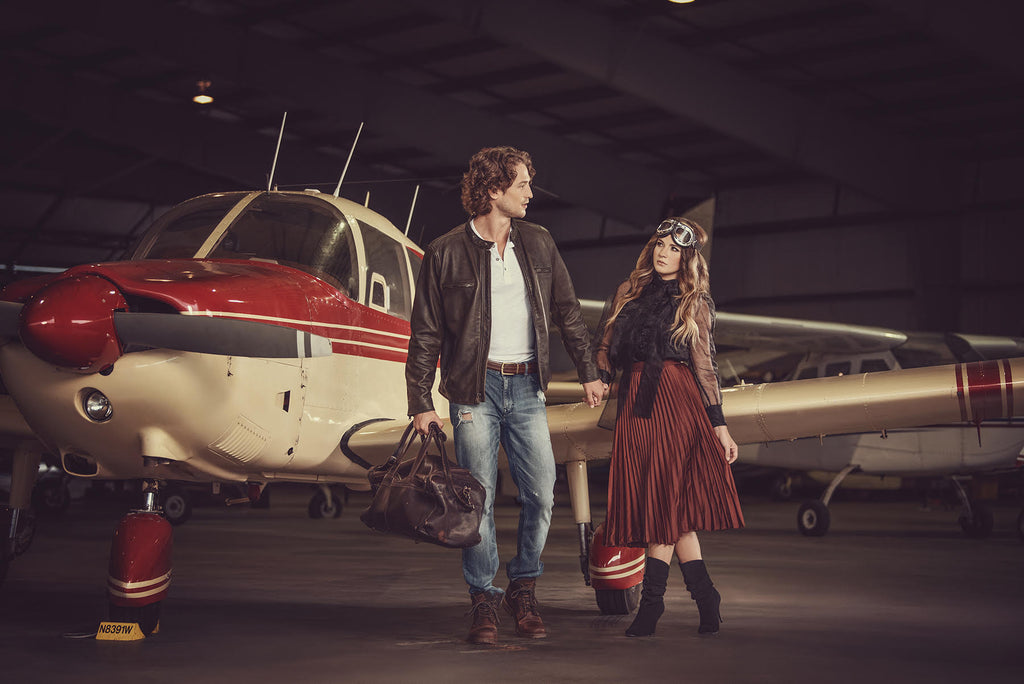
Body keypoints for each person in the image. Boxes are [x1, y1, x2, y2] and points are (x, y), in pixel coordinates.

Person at [405, 146, 606, 645]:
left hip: (528, 385)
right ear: (494, 191)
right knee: (480, 500)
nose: (531, 193)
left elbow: (568, 312)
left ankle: (523, 585)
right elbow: (426, 332)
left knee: (541, 492)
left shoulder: (539, 243)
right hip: (474, 390)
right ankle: (484, 599)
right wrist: (420, 402)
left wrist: (589, 371)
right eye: (522, 185)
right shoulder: (445, 251)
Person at [595, 216, 744, 638]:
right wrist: (600, 380)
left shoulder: (693, 301)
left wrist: (720, 427)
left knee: (662, 504)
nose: (663, 252)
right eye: (660, 244)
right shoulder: (628, 291)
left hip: (678, 403)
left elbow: (705, 368)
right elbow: (606, 348)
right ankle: (706, 596)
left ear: (688, 257)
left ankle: (652, 606)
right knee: (671, 513)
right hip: (637, 405)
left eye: (674, 249)